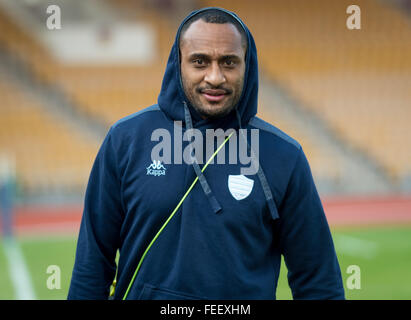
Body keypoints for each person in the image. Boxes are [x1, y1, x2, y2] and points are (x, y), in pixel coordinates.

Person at [68, 7, 345, 300]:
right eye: (200, 62)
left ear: (246, 67)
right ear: (178, 64)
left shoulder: (284, 156)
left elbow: (318, 280)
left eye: (229, 62)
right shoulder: (125, 140)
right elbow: (92, 264)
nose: (215, 77)